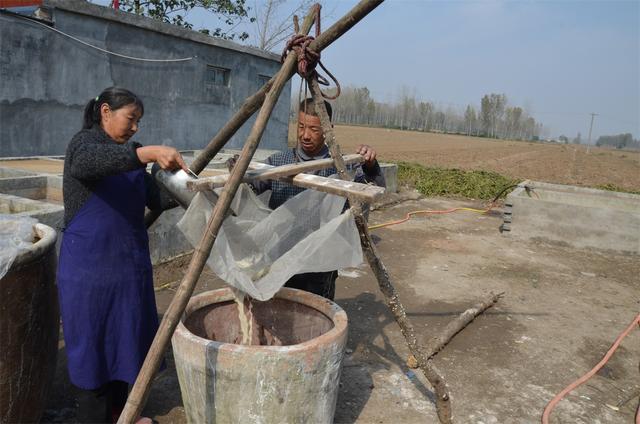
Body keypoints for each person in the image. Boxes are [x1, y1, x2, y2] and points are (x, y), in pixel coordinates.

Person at [57, 87, 187, 424]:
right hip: (90, 271)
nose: (135, 128)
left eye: (139, 122)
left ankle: (121, 414)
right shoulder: (84, 145)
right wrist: (147, 152)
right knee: (93, 349)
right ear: (105, 111)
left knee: (124, 343)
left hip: (128, 268)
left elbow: (156, 199)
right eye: (131, 119)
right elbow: (89, 165)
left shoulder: (127, 156)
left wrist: (191, 187)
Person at [249, 98, 385, 300]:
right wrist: (241, 174)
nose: (305, 135)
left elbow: (375, 187)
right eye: (301, 126)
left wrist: (371, 166)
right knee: (276, 308)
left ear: (329, 128)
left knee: (314, 315)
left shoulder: (340, 167)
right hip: (279, 257)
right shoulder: (279, 162)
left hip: (319, 263)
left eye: (314, 129)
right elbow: (250, 187)